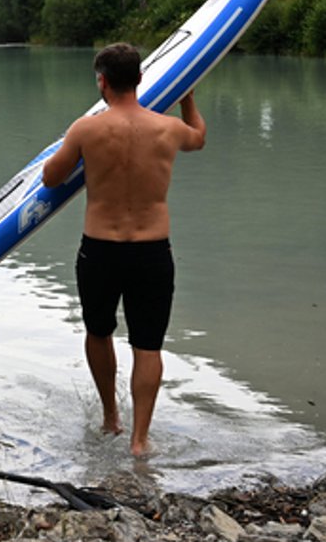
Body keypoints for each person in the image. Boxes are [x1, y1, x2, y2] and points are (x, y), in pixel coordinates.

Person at [39, 42, 205, 457]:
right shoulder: (167, 129)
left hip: (100, 251)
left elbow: (50, 178)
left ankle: (111, 418)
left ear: (102, 81)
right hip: (152, 252)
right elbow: (199, 138)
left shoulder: (87, 129)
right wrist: (188, 98)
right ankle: (139, 440)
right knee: (148, 345)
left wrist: (71, 147)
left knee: (99, 331)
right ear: (141, 79)